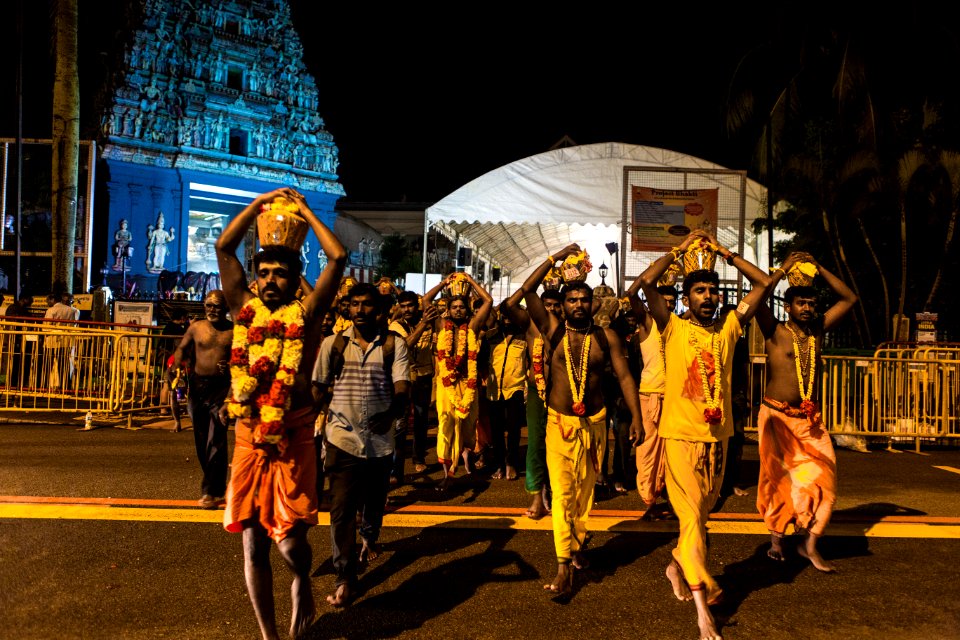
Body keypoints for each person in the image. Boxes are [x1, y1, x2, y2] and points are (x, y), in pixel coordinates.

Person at [216, 187, 346, 640]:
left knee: (291, 545)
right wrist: (256, 207)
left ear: (295, 280)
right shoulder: (242, 310)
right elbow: (223, 248)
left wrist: (305, 211)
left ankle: (302, 582)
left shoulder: (306, 316)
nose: (271, 280)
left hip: (293, 436)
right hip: (251, 435)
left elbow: (339, 259)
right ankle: (269, 636)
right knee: (252, 543)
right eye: (265, 273)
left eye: (281, 274)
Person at [639, 230, 771, 640]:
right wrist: (678, 251)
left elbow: (764, 284)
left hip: (719, 441)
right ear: (686, 298)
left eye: (712, 291)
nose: (708, 298)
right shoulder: (672, 328)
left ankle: (676, 565)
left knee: (701, 519)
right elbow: (645, 285)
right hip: (679, 438)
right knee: (693, 519)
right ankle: (703, 609)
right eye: (699, 291)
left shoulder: (730, 329)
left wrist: (724, 254)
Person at [521, 244, 643, 597]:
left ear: (593, 304)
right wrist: (554, 258)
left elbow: (624, 377)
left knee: (585, 496)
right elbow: (528, 291)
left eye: (582, 300)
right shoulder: (553, 330)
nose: (577, 305)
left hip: (595, 424)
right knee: (561, 494)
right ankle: (562, 566)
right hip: (560, 424)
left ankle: (577, 546)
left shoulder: (606, 337)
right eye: (571, 299)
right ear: (564, 303)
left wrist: (636, 418)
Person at [754, 251, 857, 572]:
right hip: (775, 418)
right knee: (778, 481)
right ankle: (775, 540)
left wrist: (820, 267)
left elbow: (849, 298)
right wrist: (783, 269)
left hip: (810, 420)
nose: (809, 308)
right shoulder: (773, 330)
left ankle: (809, 544)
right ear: (788, 306)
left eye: (812, 303)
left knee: (825, 476)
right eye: (801, 303)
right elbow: (759, 296)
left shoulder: (819, 330)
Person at [312, 283, 410, 607]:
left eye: (366, 305)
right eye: (354, 304)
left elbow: (402, 388)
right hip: (341, 438)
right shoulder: (333, 344)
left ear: (379, 310)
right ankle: (345, 578)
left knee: (375, 501)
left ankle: (369, 536)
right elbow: (318, 389)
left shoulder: (395, 345)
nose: (359, 310)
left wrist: (392, 412)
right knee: (341, 510)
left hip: (380, 443)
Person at [422, 273, 492, 489]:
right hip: (446, 385)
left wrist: (471, 283)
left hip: (467, 383)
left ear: (467, 309)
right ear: (448, 310)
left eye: (462, 306)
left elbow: (488, 301)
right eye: (455, 307)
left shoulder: (472, 327)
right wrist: (444, 284)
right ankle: (448, 475)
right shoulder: (441, 326)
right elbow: (425, 301)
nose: (459, 310)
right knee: (446, 426)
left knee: (468, 426)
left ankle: (466, 464)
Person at [168, 291, 233, 508]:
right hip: (198, 388)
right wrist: (175, 366)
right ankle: (215, 486)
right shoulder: (196, 328)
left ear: (225, 308)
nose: (212, 310)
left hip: (221, 389)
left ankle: (211, 491)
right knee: (201, 439)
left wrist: (231, 371)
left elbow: (242, 359)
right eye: (208, 305)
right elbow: (181, 350)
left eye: (216, 306)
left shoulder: (234, 332)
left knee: (216, 438)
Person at [624, 279, 679, 519]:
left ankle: (673, 499)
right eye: (663, 301)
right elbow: (632, 292)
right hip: (649, 396)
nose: (667, 306)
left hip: (677, 398)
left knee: (674, 454)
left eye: (671, 302)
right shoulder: (647, 324)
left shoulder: (681, 325)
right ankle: (650, 500)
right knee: (648, 453)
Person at [388, 290, 438, 477]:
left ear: (417, 306)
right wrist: (423, 324)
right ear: (399, 308)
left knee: (421, 420)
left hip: (424, 376)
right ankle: (396, 467)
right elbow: (404, 346)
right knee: (400, 423)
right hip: (403, 377)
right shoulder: (395, 325)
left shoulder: (428, 321)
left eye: (410, 305)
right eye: (403, 306)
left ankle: (419, 459)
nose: (407, 309)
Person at [485, 303, 528, 481]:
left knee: (513, 428)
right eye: (505, 315)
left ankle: (511, 462)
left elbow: (532, 362)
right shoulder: (491, 336)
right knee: (495, 429)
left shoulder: (525, 336)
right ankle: (499, 464)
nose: (508, 319)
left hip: (516, 388)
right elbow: (480, 361)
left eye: (511, 315)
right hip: (494, 390)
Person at [43, 292, 80, 390]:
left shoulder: (51, 310)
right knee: (64, 364)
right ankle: (66, 386)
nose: (47, 303)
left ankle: (45, 385)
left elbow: (46, 326)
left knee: (48, 364)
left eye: (48, 301)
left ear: (53, 300)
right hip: (66, 340)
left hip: (52, 340)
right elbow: (73, 325)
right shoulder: (71, 311)